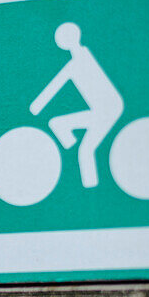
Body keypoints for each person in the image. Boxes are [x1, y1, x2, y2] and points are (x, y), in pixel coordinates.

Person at [29, 21, 124, 189]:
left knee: (84, 149)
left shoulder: (79, 61)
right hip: (105, 110)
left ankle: (91, 188)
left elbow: (54, 86)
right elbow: (54, 87)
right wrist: (36, 107)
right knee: (69, 135)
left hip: (108, 110)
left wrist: (36, 107)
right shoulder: (76, 62)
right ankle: (74, 151)